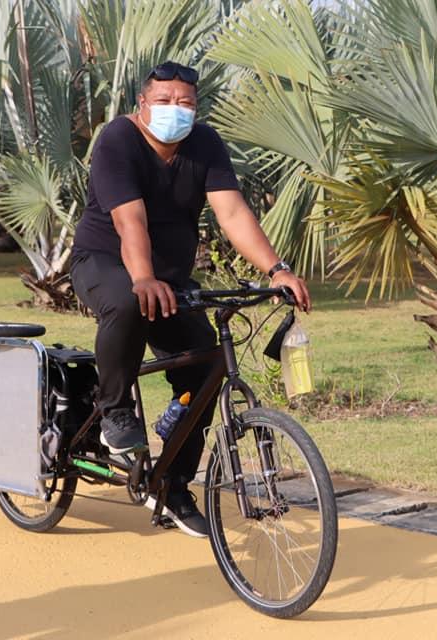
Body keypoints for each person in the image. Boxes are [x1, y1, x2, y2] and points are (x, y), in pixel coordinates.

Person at [70, 61, 310, 537]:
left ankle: (174, 486)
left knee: (203, 370)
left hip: (168, 277)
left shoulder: (204, 143)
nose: (174, 110)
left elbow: (232, 213)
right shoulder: (118, 139)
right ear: (142, 104)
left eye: (185, 103)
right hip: (103, 261)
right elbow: (129, 220)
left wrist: (277, 270)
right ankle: (114, 410)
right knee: (126, 300)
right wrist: (142, 277)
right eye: (164, 101)